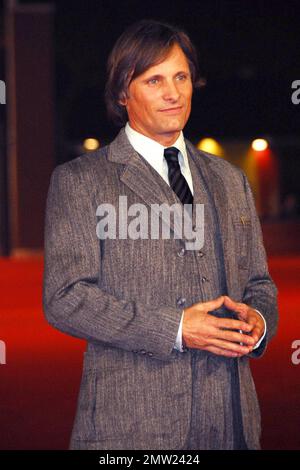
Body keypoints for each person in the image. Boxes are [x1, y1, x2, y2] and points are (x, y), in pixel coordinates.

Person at [43, 19, 278, 450]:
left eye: (181, 77)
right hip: (134, 425)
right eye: (154, 80)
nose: (173, 93)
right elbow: (65, 297)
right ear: (122, 93)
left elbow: (260, 283)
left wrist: (258, 322)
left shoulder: (230, 180)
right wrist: (175, 329)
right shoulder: (80, 180)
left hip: (231, 424)